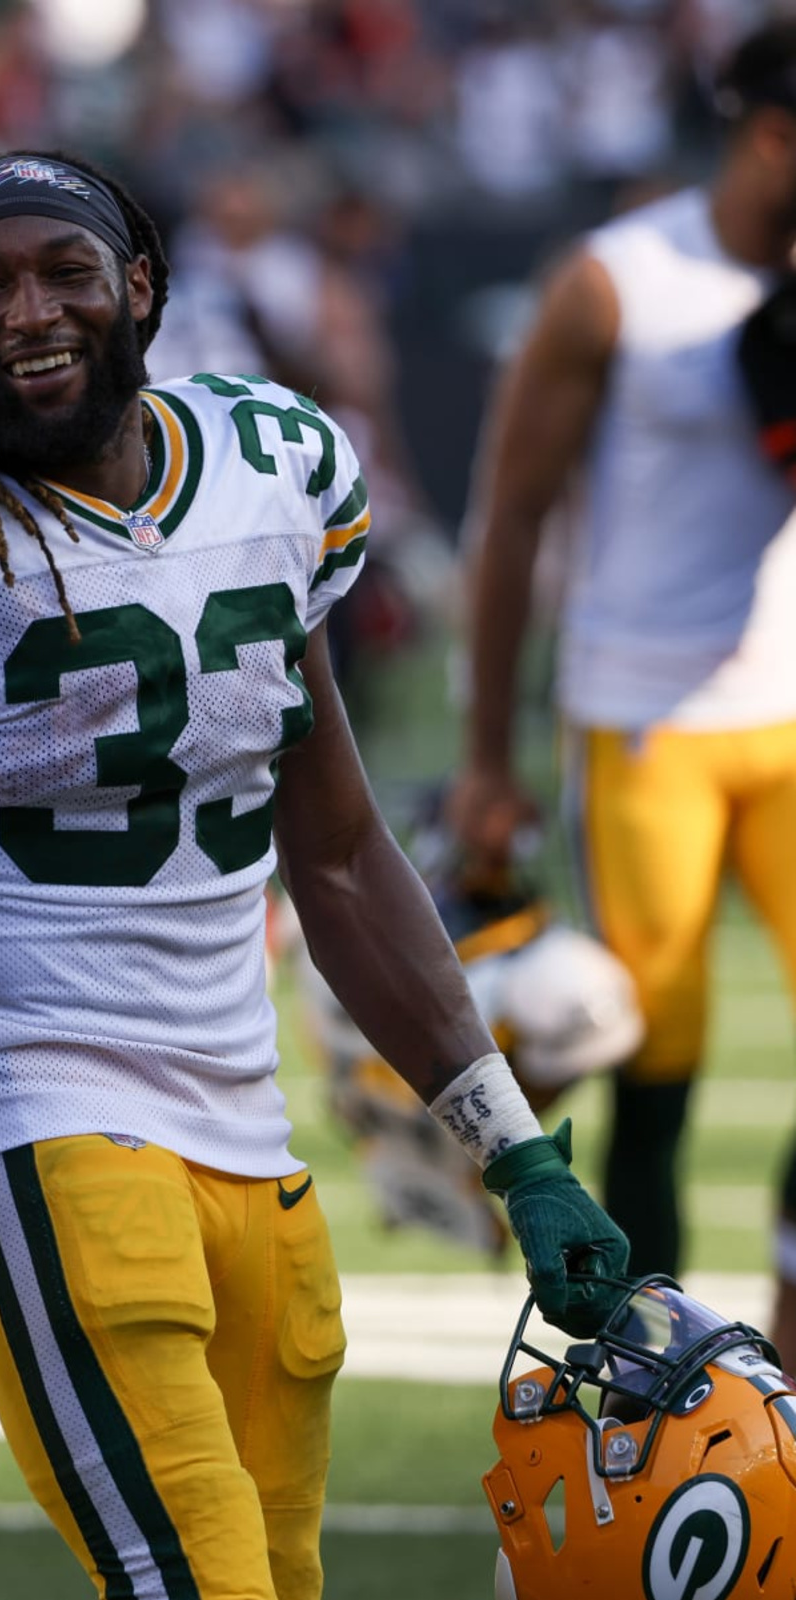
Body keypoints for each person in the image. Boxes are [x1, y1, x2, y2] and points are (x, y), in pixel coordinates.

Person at [0, 149, 630, 1598]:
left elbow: (344, 855)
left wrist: (513, 1146)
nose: (27, 311)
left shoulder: (268, 469)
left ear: (142, 288)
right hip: (28, 1113)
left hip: (246, 1126)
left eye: (63, 270)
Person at [448, 17, 796, 1370]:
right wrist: (487, 755)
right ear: (772, 135)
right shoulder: (617, 283)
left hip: (790, 709)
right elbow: (512, 515)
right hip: (645, 721)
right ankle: (665, 1386)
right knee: (658, 1068)